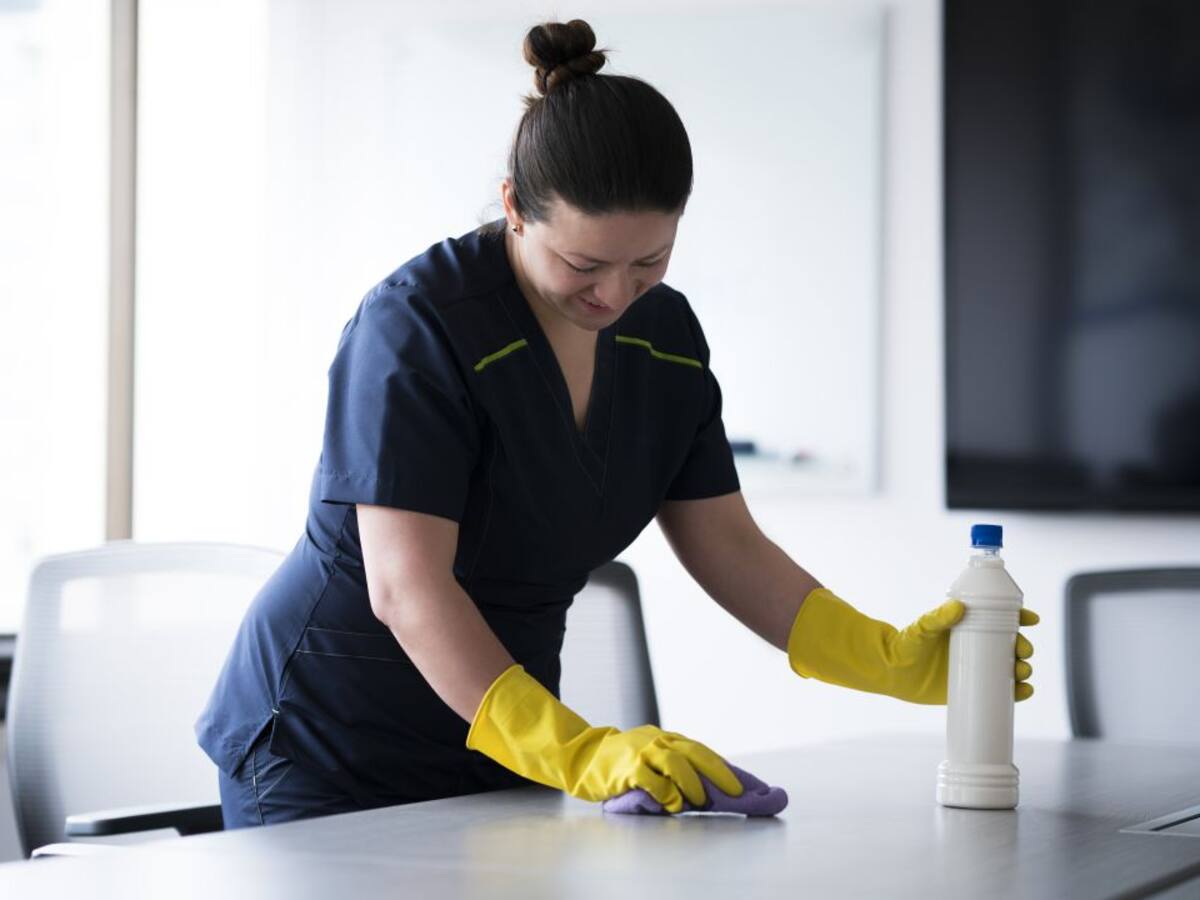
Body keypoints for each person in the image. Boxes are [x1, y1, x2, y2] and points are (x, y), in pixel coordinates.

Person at [198, 19, 1037, 829]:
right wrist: (575, 749)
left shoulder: (664, 338)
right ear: (514, 206)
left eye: (649, 261)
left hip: (502, 749)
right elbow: (406, 586)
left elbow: (729, 545)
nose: (613, 294)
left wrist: (884, 657)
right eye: (583, 263)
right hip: (327, 745)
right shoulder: (417, 327)